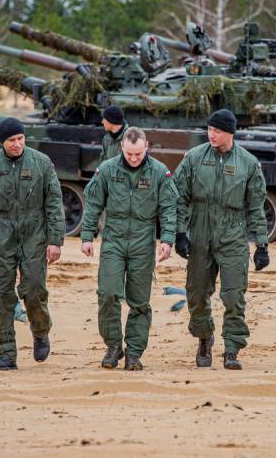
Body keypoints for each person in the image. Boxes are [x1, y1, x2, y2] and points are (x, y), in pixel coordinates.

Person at [174, 109, 270, 370]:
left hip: (233, 234)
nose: (211, 135)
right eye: (209, 129)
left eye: (217, 130)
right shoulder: (194, 158)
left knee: (234, 295)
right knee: (196, 293)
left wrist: (261, 244)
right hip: (200, 232)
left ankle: (232, 349)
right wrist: (179, 233)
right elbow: (179, 197)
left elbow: (256, 207)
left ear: (230, 132)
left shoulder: (248, 163)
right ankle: (204, 338)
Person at [0, 117, 65, 371]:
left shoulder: (41, 163)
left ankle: (40, 331)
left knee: (34, 289)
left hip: (34, 233)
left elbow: (54, 203)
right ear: (2, 141)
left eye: (20, 139)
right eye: (12, 140)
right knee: (0, 295)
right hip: (2, 235)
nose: (17, 144)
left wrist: (55, 240)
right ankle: (5, 354)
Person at [80, 127, 178, 370]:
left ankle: (134, 352)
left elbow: (168, 208)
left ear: (146, 148)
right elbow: (93, 203)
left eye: (138, 154)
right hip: (113, 238)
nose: (133, 159)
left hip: (143, 241)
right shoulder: (108, 169)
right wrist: (87, 236)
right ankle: (113, 346)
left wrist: (167, 239)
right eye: (129, 154)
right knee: (108, 294)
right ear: (122, 148)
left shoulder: (158, 172)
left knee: (139, 301)